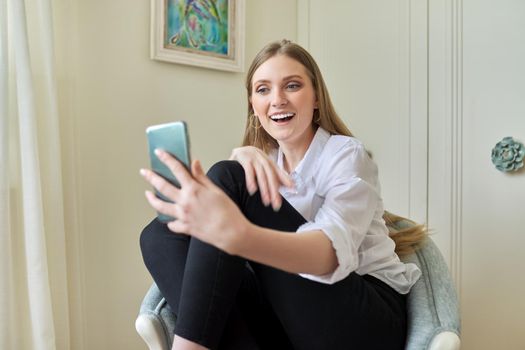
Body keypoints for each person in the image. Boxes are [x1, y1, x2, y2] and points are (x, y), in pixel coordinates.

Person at [139, 39, 423, 350]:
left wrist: (240, 235)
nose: (277, 100)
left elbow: (327, 256)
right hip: (293, 321)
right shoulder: (262, 162)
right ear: (253, 105)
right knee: (159, 233)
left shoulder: (346, 154)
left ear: (316, 98)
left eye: (292, 86)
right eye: (263, 89)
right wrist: (239, 165)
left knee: (227, 176)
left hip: (364, 322)